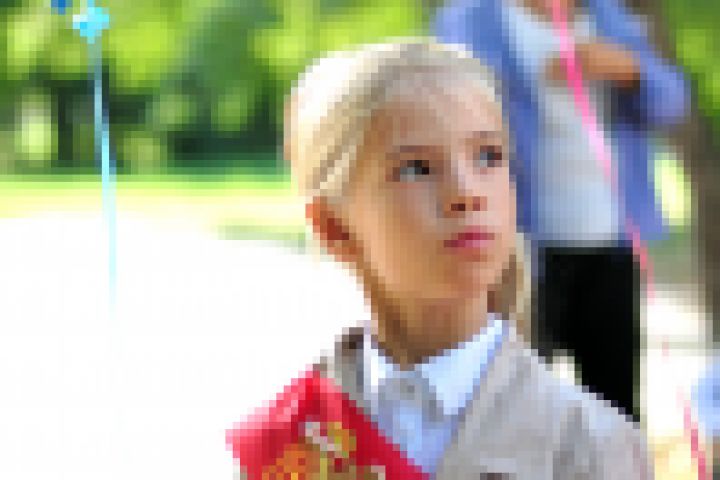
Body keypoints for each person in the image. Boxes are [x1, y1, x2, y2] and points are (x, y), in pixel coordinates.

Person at [227, 39, 652, 479]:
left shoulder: (592, 445)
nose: (467, 192)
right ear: (335, 227)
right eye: (416, 168)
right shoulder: (291, 439)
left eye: (488, 156)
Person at [435, 0, 689, 422]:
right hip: (517, 249)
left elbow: (671, 104)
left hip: (610, 243)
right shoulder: (472, 18)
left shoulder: (608, 15)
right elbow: (442, 114)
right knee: (518, 408)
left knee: (615, 408)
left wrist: (628, 68)